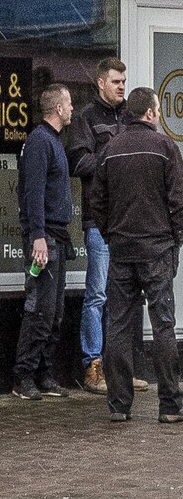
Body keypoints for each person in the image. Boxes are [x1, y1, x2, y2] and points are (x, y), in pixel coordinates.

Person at [90, 85, 183, 424]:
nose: (158, 117)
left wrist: (111, 232)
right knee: (163, 326)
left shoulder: (111, 149)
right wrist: (175, 239)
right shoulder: (164, 147)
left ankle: (118, 405)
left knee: (118, 327)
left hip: (122, 251)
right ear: (149, 113)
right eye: (157, 111)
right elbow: (178, 200)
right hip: (157, 249)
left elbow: (97, 202)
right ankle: (170, 405)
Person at [66, 56, 127, 394]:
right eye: (116, 81)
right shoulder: (86, 119)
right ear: (101, 83)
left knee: (123, 295)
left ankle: (119, 367)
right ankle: (93, 367)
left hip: (128, 222)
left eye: (123, 81)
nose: (121, 87)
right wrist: (115, 155)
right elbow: (79, 162)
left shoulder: (130, 117)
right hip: (99, 221)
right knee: (98, 294)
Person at [12, 83, 75, 400]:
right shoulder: (39, 142)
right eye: (69, 103)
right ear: (58, 109)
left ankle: (44, 374)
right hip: (44, 238)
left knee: (56, 310)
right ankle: (23, 377)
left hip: (55, 237)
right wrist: (37, 236)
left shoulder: (53, 142)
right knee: (40, 309)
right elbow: (32, 193)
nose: (73, 108)